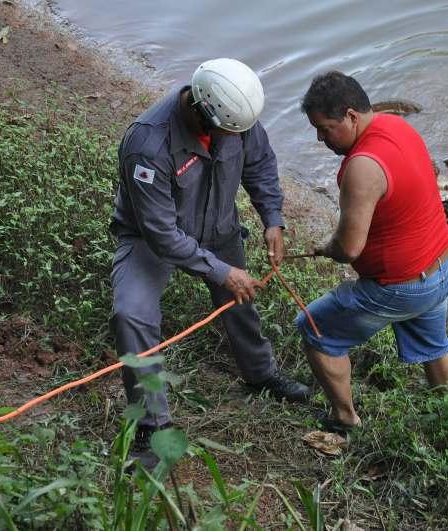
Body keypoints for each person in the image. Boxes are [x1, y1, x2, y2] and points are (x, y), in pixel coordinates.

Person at [110, 58, 310, 466]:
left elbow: (260, 165)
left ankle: (260, 374)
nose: (235, 137)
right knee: (131, 313)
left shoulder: (235, 115)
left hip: (218, 227)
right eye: (227, 132)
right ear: (200, 110)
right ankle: (152, 426)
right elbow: (162, 234)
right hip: (151, 238)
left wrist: (272, 218)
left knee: (240, 303)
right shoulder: (148, 145)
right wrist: (222, 271)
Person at [296, 71, 448, 431]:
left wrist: (327, 248)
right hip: (442, 266)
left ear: (352, 116)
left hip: (400, 287)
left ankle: (344, 419)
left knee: (314, 329)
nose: (321, 139)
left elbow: (350, 248)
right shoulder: (397, 126)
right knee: (437, 347)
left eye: (325, 128)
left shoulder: (362, 167)